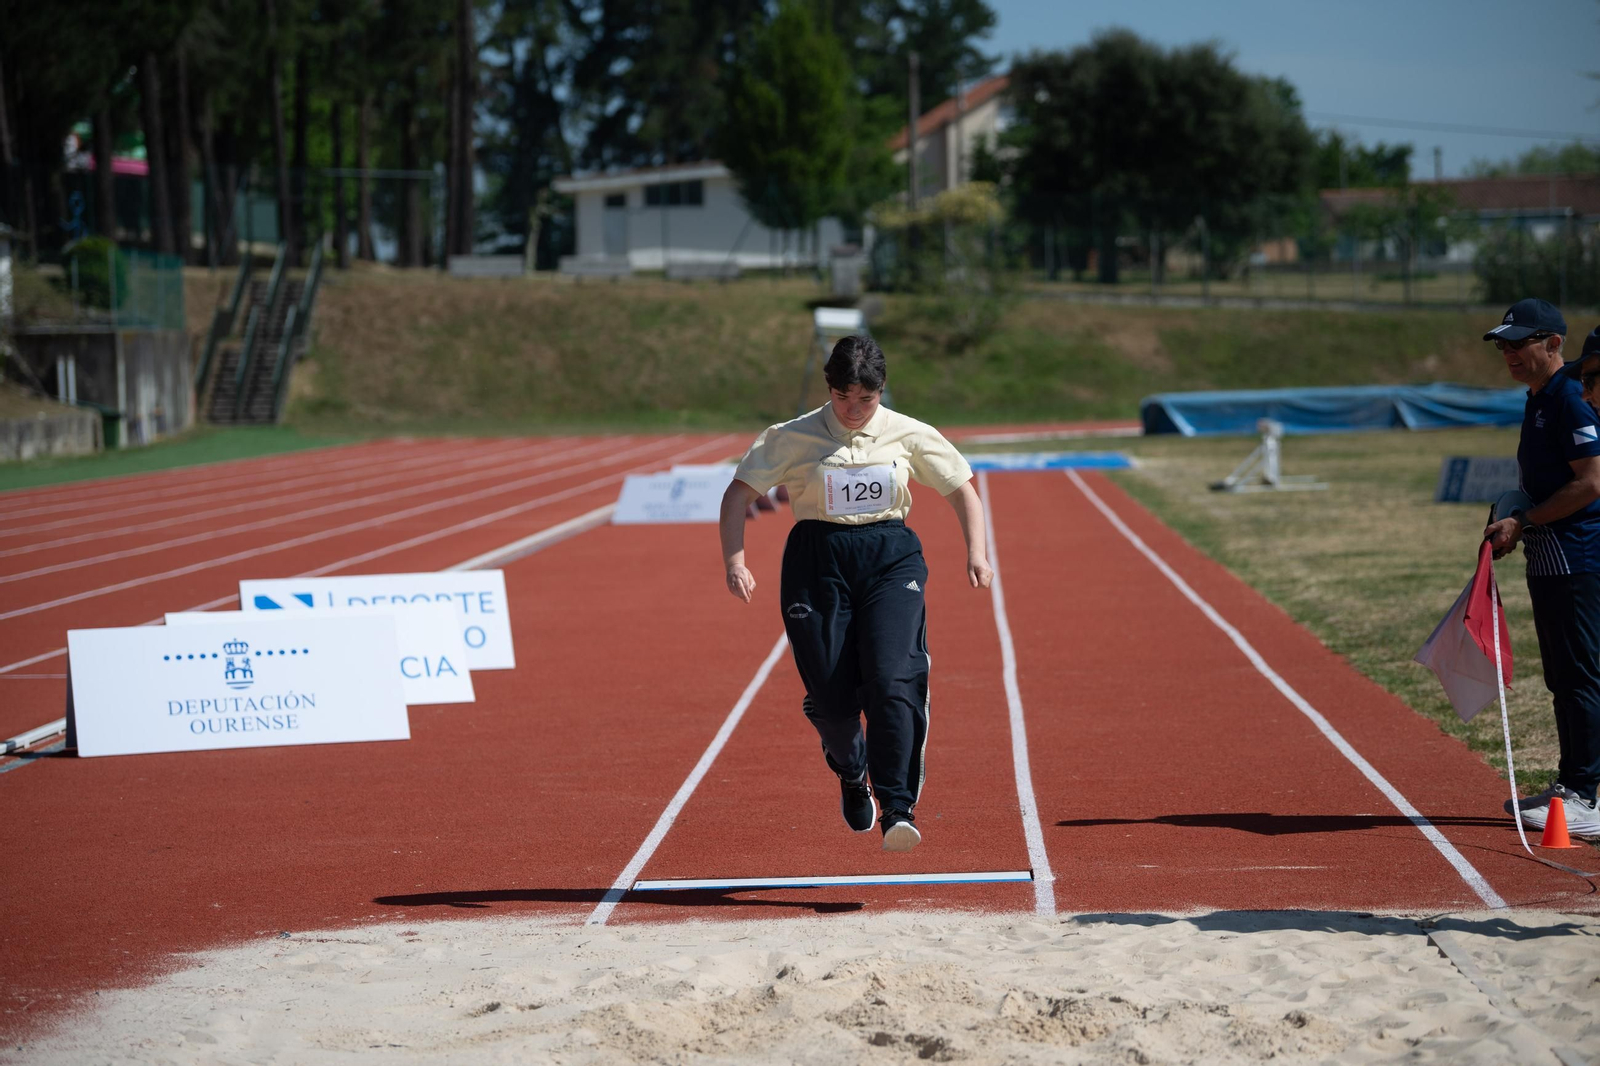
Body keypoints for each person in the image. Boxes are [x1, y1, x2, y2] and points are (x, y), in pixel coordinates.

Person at [719, 335, 993, 852]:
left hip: (890, 557)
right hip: (817, 561)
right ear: (829, 389)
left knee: (893, 678)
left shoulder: (910, 434)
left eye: (866, 400)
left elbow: (963, 490)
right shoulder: (791, 436)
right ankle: (851, 771)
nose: (854, 410)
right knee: (831, 696)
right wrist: (735, 560)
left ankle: (898, 807)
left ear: (881, 391)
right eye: (844, 398)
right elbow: (737, 497)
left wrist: (976, 553)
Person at [1482, 301, 1600, 837]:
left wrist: (1522, 520)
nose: (1508, 352)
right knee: (1561, 677)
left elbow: (1591, 483)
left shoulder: (1572, 399)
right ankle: (1570, 786)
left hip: (1578, 557)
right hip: (1551, 557)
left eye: (1518, 342)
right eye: (1503, 344)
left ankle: (1584, 795)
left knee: (1580, 676)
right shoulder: (1538, 399)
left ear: (1553, 343)